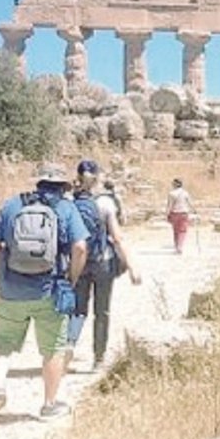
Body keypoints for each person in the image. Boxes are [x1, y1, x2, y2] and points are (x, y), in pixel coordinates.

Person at [0, 162, 88, 428]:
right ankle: (49, 404)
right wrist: (71, 278)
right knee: (53, 349)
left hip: (11, 290)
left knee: (2, 343)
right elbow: (80, 247)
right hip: (50, 291)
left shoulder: (12, 205)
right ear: (63, 185)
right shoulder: (66, 208)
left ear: (37, 182)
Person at [66, 159, 142, 371]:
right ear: (98, 177)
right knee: (102, 311)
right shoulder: (105, 204)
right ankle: (99, 358)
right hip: (103, 262)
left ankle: (69, 345)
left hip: (78, 264)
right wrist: (132, 267)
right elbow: (117, 238)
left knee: (77, 309)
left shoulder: (70, 202)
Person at [165, 178, 194, 254]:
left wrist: (167, 214)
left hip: (175, 213)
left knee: (175, 231)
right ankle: (180, 246)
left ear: (175, 184)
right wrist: (194, 211)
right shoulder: (185, 193)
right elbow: (190, 203)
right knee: (182, 231)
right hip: (184, 213)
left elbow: (169, 205)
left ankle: (177, 245)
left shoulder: (171, 194)